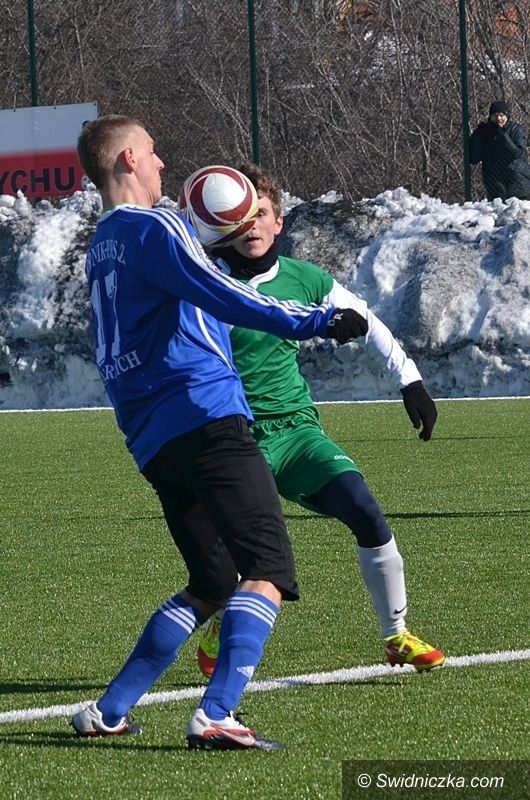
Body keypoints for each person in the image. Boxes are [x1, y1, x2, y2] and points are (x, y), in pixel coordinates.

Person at [70, 115, 371, 751]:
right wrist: (317, 320)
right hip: (205, 417)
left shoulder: (104, 244)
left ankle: (109, 709)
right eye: (153, 151)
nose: (162, 162)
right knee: (267, 568)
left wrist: (201, 230)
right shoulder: (153, 228)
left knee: (213, 579)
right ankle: (217, 712)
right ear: (128, 160)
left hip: (152, 437)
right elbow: (223, 294)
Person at [191, 162, 445, 679]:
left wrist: (411, 382)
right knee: (249, 561)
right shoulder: (207, 282)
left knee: (366, 511)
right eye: (242, 216)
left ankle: (397, 636)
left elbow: (366, 321)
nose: (253, 225)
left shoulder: (305, 279)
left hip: (298, 432)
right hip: (236, 439)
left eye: (262, 213)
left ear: (278, 222)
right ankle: (223, 623)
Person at [469, 100, 530, 201]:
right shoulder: (485, 132)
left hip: (518, 181)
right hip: (495, 182)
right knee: (497, 208)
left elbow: (517, 153)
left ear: (507, 116)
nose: (498, 118)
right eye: (495, 115)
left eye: (501, 115)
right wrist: (477, 138)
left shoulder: (515, 130)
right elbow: (474, 158)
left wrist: (503, 135)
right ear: (490, 116)